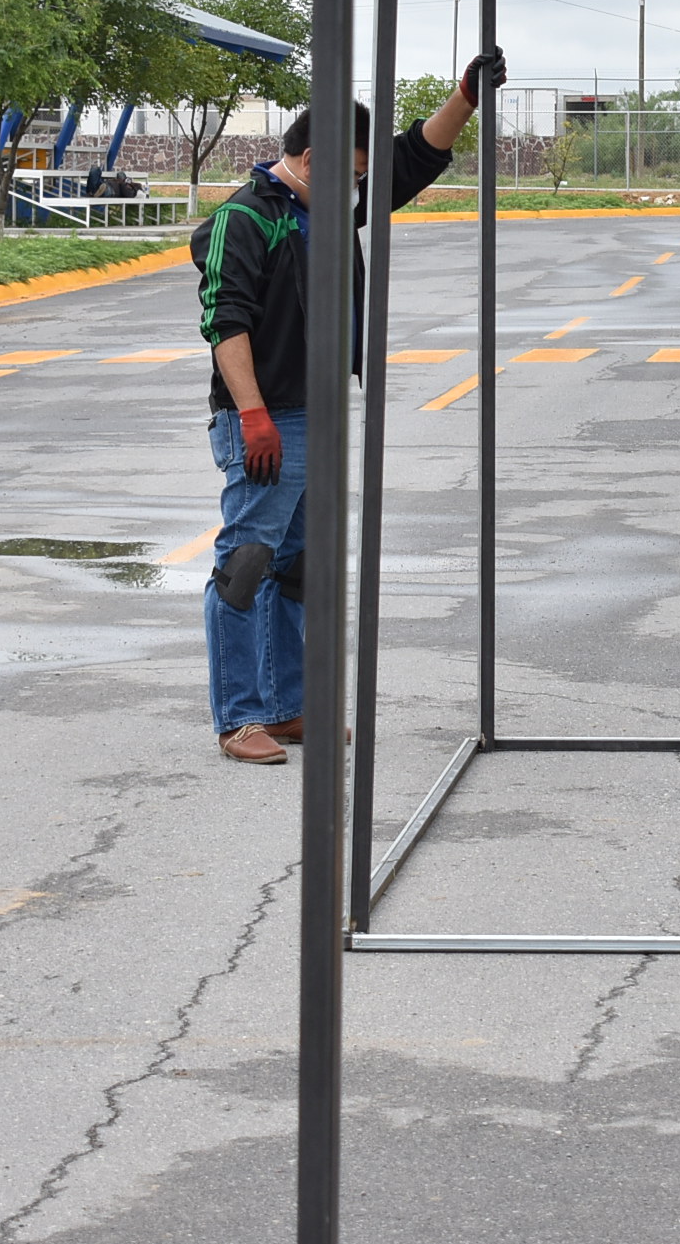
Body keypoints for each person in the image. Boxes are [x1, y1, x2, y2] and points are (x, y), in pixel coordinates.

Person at [195, 51, 504, 763]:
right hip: (267, 420)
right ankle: (239, 717)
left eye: (361, 178)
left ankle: (288, 705)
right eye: (350, 175)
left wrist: (465, 96)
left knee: (297, 566)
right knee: (246, 560)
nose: (359, 188)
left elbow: (415, 157)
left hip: (322, 413)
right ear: (307, 160)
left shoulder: (328, 205)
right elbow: (225, 322)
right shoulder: (245, 221)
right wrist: (252, 416)